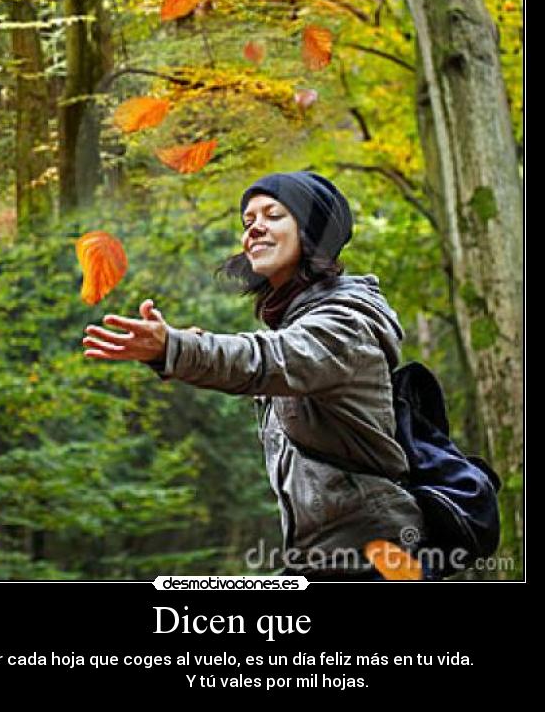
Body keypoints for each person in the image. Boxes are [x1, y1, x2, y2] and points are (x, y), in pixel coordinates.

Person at [83, 170, 429, 581]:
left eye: (273, 215)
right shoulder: (296, 324)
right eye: (248, 221)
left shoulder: (347, 322)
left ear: (312, 232)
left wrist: (176, 348)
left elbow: (266, 360)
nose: (254, 229)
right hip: (321, 559)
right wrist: (191, 347)